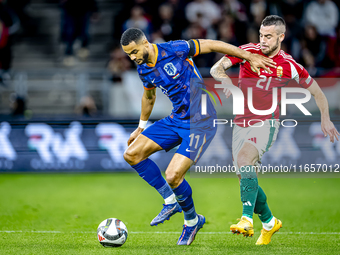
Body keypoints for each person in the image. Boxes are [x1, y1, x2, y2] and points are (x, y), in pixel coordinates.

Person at [120, 27, 275, 245]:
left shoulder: (175, 49)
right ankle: (170, 201)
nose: (133, 57)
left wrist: (247, 56)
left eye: (134, 51)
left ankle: (191, 222)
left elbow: (212, 44)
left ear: (145, 43)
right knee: (131, 154)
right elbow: (149, 95)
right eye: (129, 54)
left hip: (201, 121)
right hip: (176, 119)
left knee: (173, 175)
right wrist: (141, 127)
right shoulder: (143, 69)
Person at [210, 15, 339, 245]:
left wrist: (326, 118)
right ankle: (269, 223)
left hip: (267, 122)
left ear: (281, 37)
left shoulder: (288, 65)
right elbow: (216, 68)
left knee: (244, 159)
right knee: (244, 175)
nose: (262, 40)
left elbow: (317, 91)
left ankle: (246, 220)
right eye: (261, 35)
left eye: (268, 36)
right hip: (241, 122)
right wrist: (226, 82)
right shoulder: (247, 51)